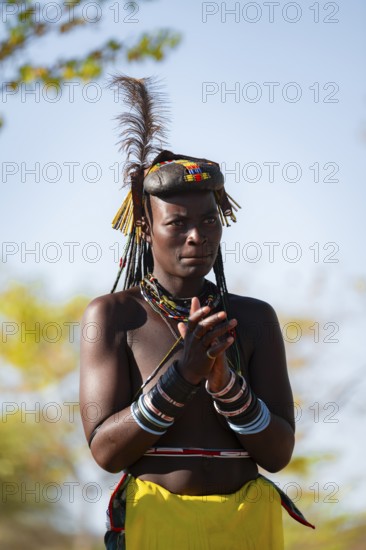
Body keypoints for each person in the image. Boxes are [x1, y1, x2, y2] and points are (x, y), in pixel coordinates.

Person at [79, 76, 314, 549]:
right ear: (146, 227)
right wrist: (183, 376)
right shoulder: (114, 316)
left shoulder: (253, 320)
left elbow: (278, 454)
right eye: (178, 223)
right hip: (157, 520)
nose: (196, 235)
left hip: (248, 524)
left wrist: (226, 385)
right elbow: (105, 451)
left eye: (208, 219)